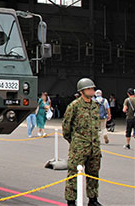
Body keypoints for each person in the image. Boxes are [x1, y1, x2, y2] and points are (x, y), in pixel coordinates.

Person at [62, 78, 102, 206]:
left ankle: (93, 199)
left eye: (92, 88)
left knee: (93, 174)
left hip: (94, 147)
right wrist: (75, 141)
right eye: (89, 89)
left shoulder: (95, 106)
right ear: (82, 91)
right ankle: (71, 201)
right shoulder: (74, 106)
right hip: (79, 147)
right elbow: (66, 128)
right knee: (74, 174)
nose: (92, 91)